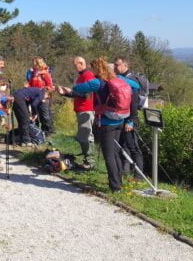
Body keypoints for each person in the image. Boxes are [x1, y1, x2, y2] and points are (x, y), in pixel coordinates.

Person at [70, 58, 131, 192]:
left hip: (106, 122)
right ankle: (119, 181)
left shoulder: (97, 82)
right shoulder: (118, 80)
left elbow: (77, 88)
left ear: (97, 69)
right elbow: (136, 86)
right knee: (115, 153)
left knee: (109, 155)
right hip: (120, 120)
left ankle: (115, 187)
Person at [56, 56, 96, 169]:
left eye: (75, 65)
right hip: (80, 109)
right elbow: (77, 95)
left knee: (86, 136)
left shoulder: (88, 75)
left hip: (86, 109)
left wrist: (71, 92)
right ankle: (87, 160)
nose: (74, 67)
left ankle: (90, 162)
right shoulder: (80, 77)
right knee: (82, 136)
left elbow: (87, 95)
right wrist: (65, 93)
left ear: (81, 63)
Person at [114, 56, 145, 178]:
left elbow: (134, 103)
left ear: (125, 65)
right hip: (123, 117)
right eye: (115, 65)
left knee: (133, 147)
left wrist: (131, 120)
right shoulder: (120, 78)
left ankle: (139, 176)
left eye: (117, 65)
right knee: (123, 145)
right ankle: (125, 172)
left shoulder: (132, 80)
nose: (115, 67)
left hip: (131, 118)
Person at [26, 57, 55, 135]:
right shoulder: (33, 74)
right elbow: (30, 84)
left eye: (34, 64)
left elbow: (50, 86)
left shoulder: (45, 74)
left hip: (43, 97)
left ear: (38, 64)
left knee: (44, 116)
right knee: (35, 116)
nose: (33, 65)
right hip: (34, 98)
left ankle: (48, 132)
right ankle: (37, 132)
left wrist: (45, 94)